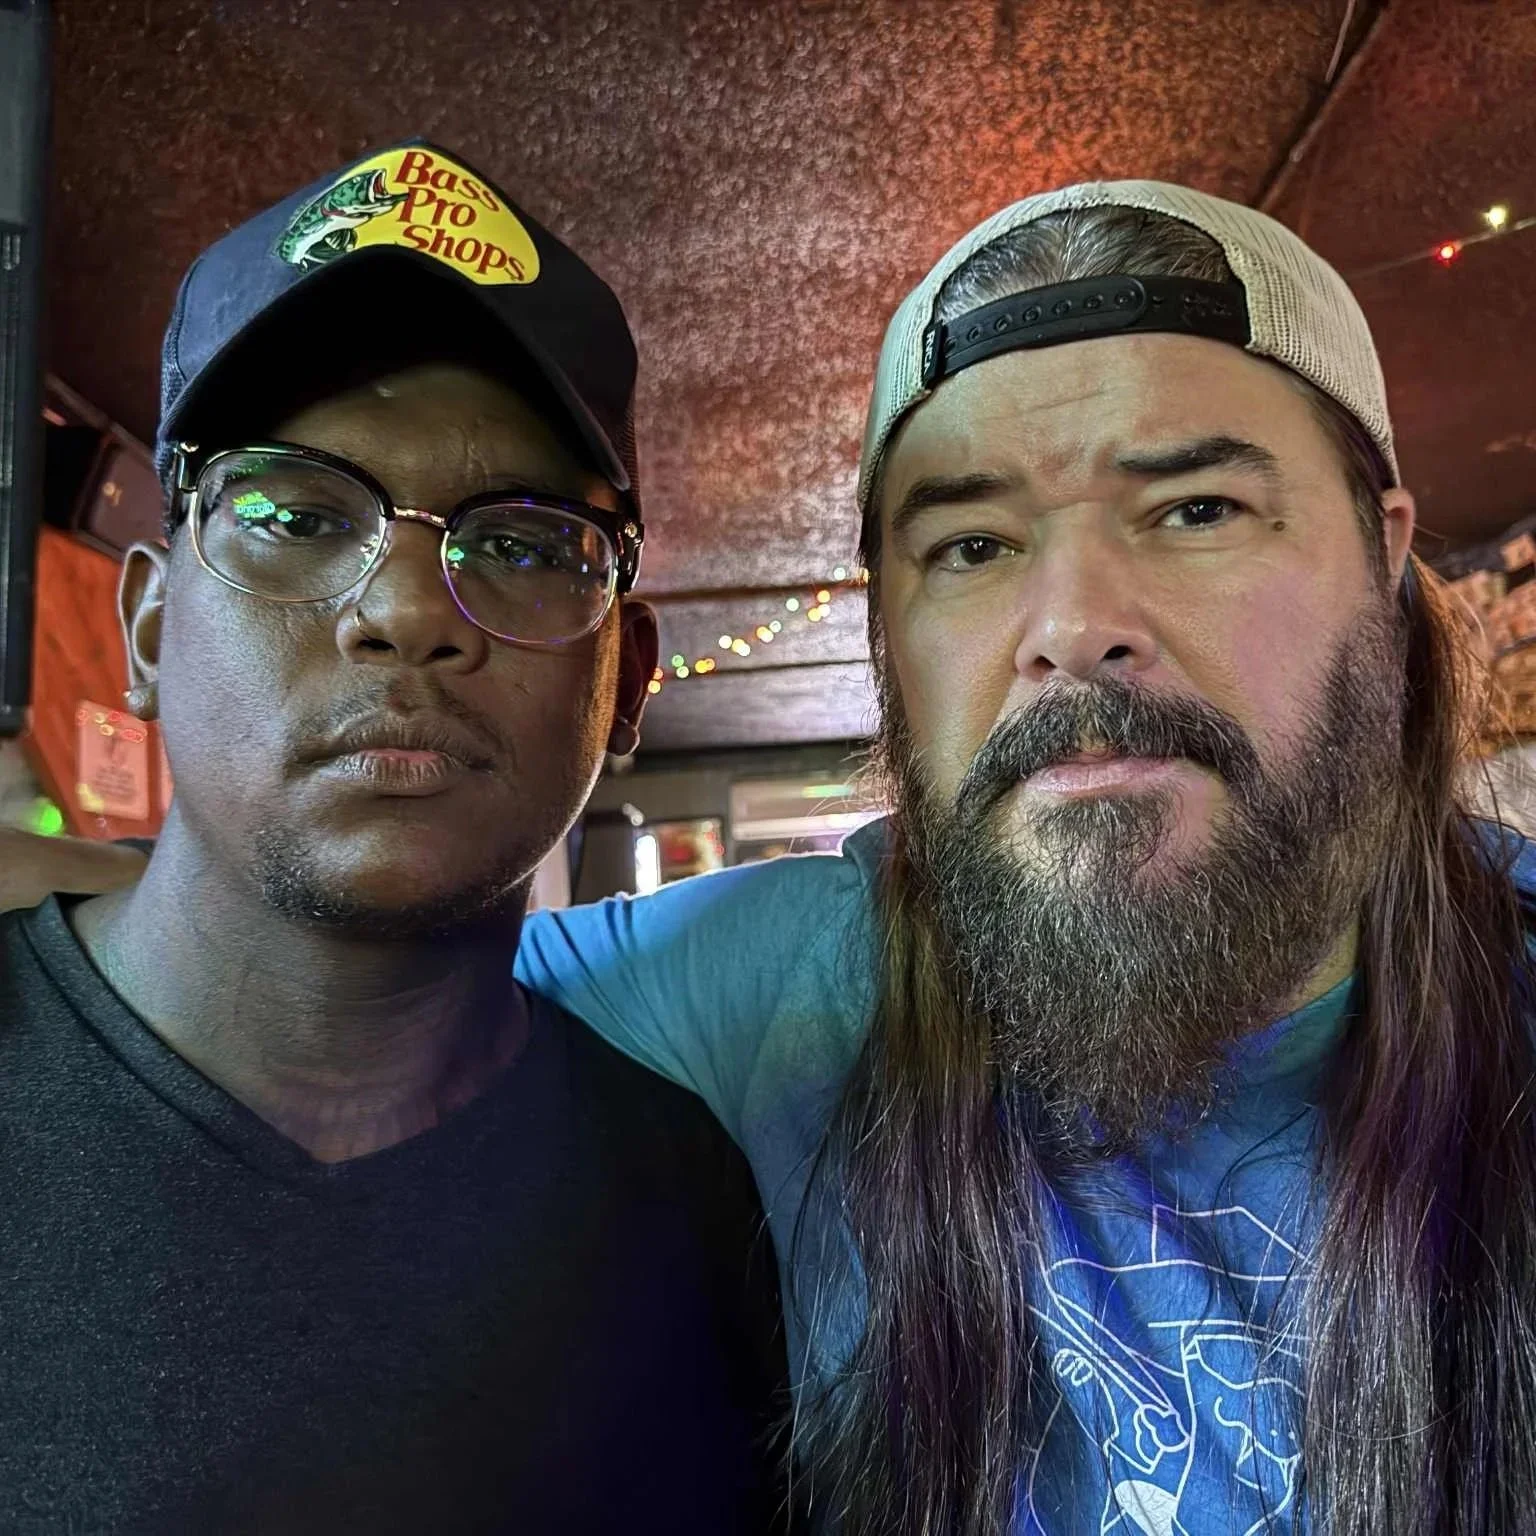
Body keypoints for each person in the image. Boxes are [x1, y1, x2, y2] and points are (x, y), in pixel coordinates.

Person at [12, 182, 1536, 1536]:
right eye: (971, 545)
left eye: (1198, 507)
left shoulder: (681, 1101)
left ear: (1384, 556)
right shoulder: (777, 992)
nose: (1075, 621)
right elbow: (319, 966)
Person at [0, 142, 795, 1534]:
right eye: (296, 514)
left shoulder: (690, 1203)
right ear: (143, 629)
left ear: (626, 681)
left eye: (528, 543)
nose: (408, 607)